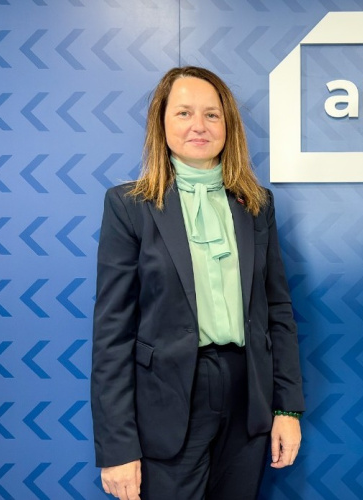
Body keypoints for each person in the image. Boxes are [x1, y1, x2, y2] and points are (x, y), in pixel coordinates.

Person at [91, 66, 304, 500]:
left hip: (247, 396)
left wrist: (286, 407)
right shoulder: (129, 207)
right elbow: (112, 335)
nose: (198, 126)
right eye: (184, 113)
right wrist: (117, 447)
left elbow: (276, 311)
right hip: (168, 401)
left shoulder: (257, 206)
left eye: (212, 115)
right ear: (161, 124)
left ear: (228, 126)